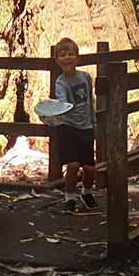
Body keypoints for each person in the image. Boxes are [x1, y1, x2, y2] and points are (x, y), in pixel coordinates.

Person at [52, 37, 99, 213]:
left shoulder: (86, 77)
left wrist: (93, 122)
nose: (67, 58)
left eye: (71, 54)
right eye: (62, 55)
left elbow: (90, 101)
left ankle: (86, 193)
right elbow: (62, 102)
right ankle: (69, 198)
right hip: (67, 127)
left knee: (89, 167)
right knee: (72, 165)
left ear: (78, 58)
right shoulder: (61, 82)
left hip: (85, 126)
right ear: (57, 60)